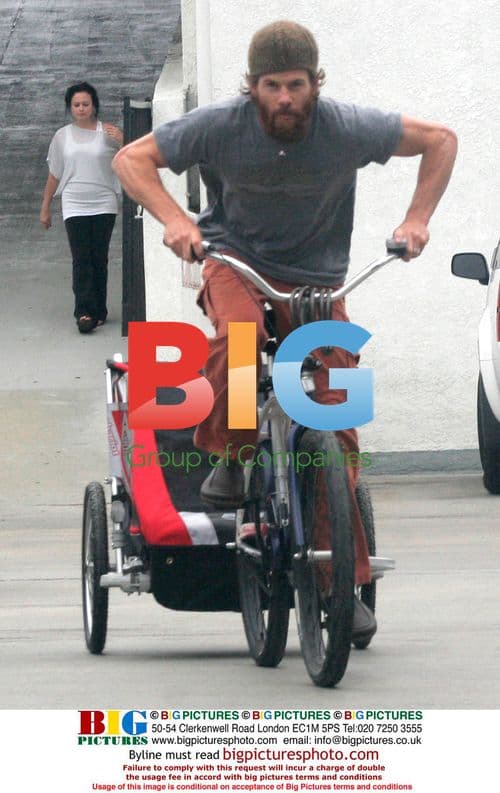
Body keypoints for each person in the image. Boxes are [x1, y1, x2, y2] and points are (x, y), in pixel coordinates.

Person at [112, 20, 457, 642]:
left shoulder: (346, 127)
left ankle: (338, 589)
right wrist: (175, 220)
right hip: (234, 263)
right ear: (252, 86)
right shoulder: (220, 125)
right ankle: (235, 455)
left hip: (316, 282)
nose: (285, 98)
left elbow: (440, 140)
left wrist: (417, 219)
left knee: (336, 423)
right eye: (272, 86)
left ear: (315, 83)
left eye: (296, 85)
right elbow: (131, 159)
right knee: (241, 337)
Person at [40, 81, 123, 333]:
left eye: (85, 104)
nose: (81, 108)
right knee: (81, 258)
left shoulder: (108, 133)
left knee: (99, 257)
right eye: (76, 104)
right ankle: (84, 312)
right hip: (74, 202)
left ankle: (99, 311)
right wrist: (45, 206)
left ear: (94, 105)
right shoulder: (62, 137)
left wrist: (124, 140)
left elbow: (132, 157)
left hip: (104, 202)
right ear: (70, 107)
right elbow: (55, 173)